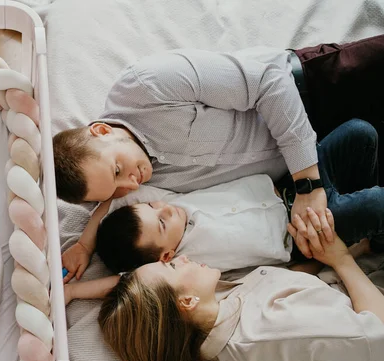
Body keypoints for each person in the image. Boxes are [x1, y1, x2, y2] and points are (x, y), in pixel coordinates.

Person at [54, 35, 384, 262]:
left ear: (101, 130)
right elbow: (113, 209)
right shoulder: (147, 187)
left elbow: (267, 81)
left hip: (312, 91)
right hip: (325, 159)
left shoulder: (146, 86)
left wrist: (307, 183)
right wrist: (83, 245)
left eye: (117, 170)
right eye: (116, 187)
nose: (131, 183)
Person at [97, 208, 384, 361]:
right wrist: (342, 258)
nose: (181, 257)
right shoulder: (274, 334)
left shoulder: (209, 327)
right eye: (172, 267)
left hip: (356, 277)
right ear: (187, 301)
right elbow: (379, 334)